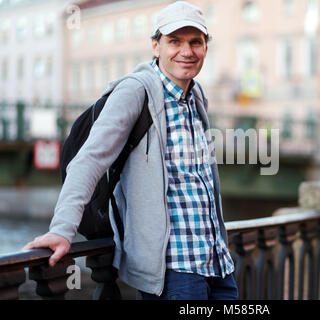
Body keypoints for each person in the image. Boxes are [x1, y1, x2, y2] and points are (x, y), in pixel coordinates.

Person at [23, 1, 238, 300]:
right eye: (174, 41)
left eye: (195, 42)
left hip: (217, 265)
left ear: (205, 47)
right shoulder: (135, 91)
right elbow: (89, 160)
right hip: (174, 272)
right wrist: (61, 229)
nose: (186, 51)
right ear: (156, 45)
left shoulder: (196, 94)